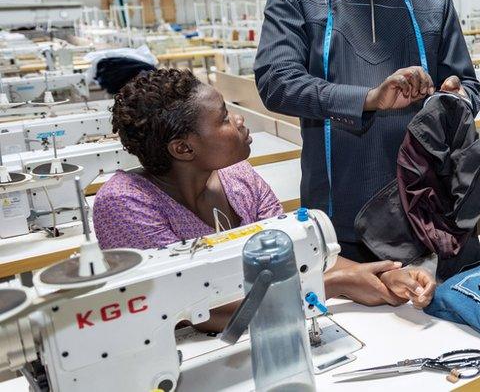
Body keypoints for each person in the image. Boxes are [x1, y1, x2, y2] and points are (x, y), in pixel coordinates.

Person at [93, 69, 435, 332]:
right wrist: (332, 284)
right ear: (183, 148)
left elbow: (299, 250)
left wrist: (381, 274)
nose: (240, 120)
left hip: (265, 331)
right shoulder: (125, 204)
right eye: (225, 117)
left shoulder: (237, 177)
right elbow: (192, 311)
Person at [254, 0, 480, 262]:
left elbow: (471, 88)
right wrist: (368, 98)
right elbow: (276, 82)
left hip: (425, 212)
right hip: (338, 216)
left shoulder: (433, 1)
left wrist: (455, 99)